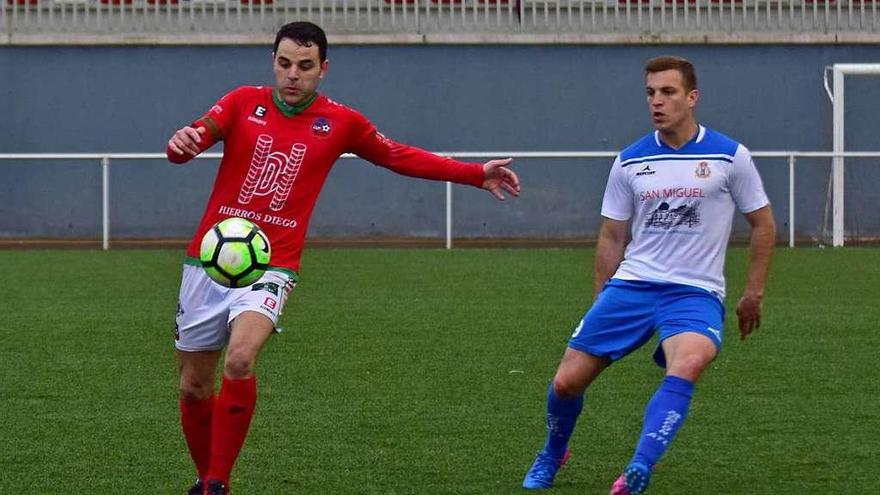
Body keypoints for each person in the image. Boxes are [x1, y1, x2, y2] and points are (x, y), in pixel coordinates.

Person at [166, 21, 520, 495]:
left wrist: (475, 174)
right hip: (207, 262)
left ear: (323, 69)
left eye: (305, 66)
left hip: (272, 265)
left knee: (241, 359)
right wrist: (181, 144)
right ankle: (204, 473)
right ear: (273, 61)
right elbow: (192, 140)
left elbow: (398, 155)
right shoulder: (240, 102)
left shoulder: (341, 122)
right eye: (285, 63)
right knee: (193, 386)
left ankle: (216, 482)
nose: (293, 75)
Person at [521, 56, 776, 494]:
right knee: (566, 383)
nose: (657, 101)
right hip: (634, 285)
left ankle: (639, 469)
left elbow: (764, 224)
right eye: (651, 93)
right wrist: (603, 295)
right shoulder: (630, 161)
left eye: (668, 92)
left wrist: (753, 292)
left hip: (694, 292)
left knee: (689, 362)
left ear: (692, 97)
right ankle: (553, 452)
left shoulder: (730, 157)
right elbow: (612, 235)